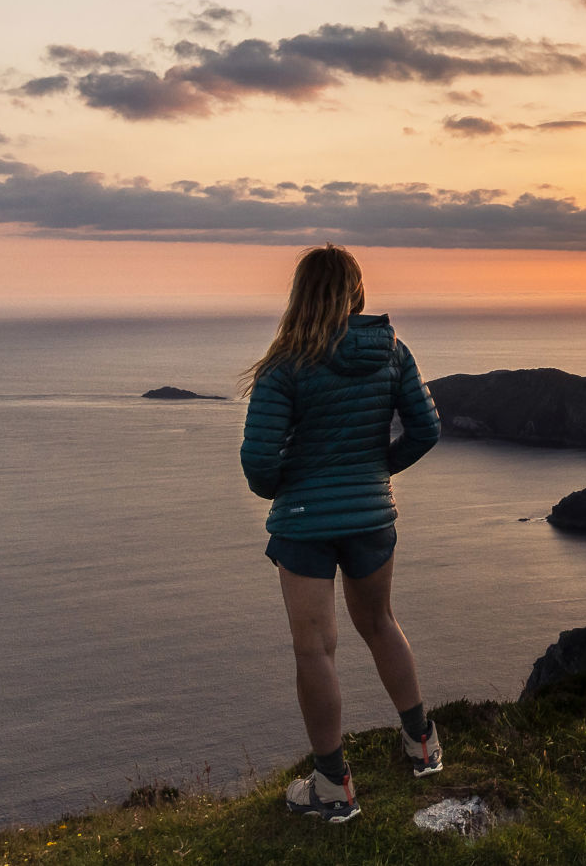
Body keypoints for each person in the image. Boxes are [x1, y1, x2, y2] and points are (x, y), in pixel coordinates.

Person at [238, 243, 444, 824]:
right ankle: (422, 745)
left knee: (315, 648)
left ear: (300, 294)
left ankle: (333, 785)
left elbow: (257, 466)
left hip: (305, 525)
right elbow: (426, 429)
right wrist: (374, 473)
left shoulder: (285, 366)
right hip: (372, 518)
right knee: (381, 623)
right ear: (356, 292)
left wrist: (293, 483)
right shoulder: (391, 352)